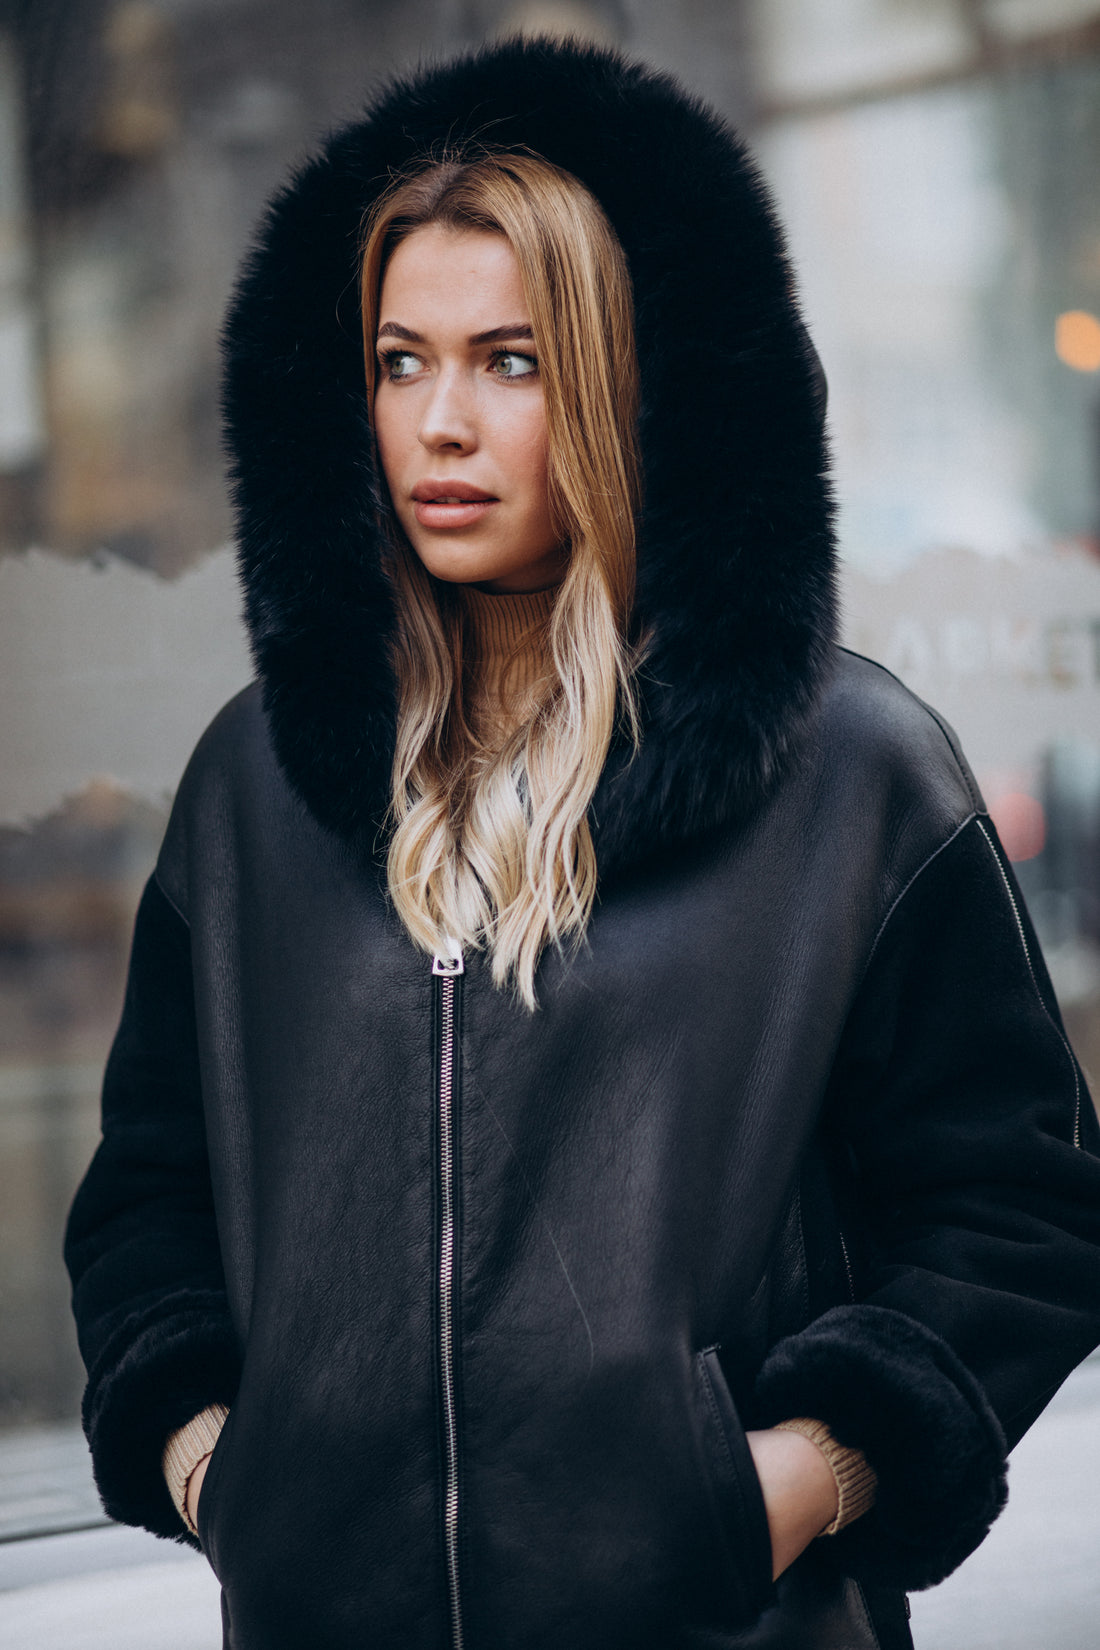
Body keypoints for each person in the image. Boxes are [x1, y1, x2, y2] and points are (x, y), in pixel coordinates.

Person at [64, 36, 1100, 1650]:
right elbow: (149, 1204)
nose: (442, 422)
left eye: (512, 359)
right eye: (400, 361)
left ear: (619, 384)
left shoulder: (848, 771)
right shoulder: (259, 789)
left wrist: (796, 1475)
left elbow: (1018, 1212)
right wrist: (214, 1466)